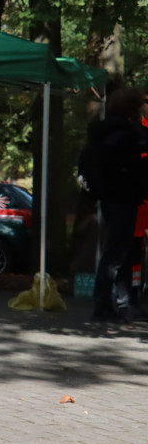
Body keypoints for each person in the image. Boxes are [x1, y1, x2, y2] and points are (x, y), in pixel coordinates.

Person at [85, 86, 148, 321]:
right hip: (123, 197)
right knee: (117, 254)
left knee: (118, 252)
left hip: (114, 197)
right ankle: (104, 304)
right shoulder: (124, 133)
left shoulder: (107, 130)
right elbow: (128, 164)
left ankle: (114, 303)